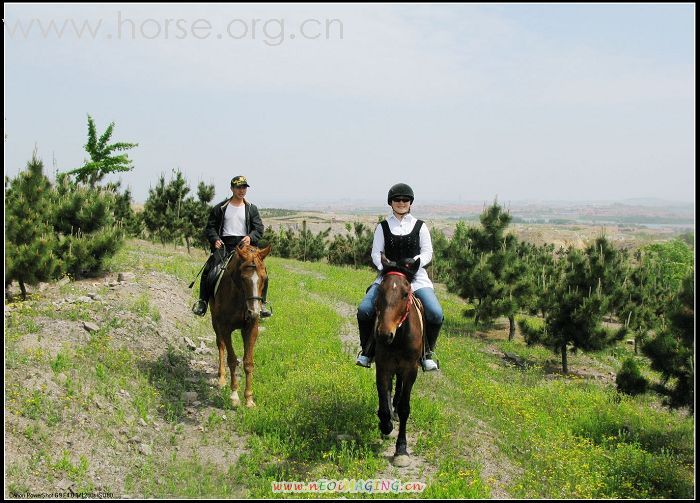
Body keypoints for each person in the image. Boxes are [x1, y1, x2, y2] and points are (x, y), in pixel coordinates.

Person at [355, 183, 443, 371]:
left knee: (435, 313)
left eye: (405, 200)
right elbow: (375, 253)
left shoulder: (420, 226)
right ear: (391, 203)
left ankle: (427, 353)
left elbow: (427, 252)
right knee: (364, 310)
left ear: (410, 202)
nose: (401, 202)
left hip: (415, 277)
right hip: (388, 276)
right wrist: (384, 266)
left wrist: (414, 263)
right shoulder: (383, 227)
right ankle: (367, 351)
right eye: (397, 200)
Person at [192, 175, 272, 318]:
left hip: (246, 248)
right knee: (209, 270)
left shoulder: (251, 209)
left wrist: (250, 237)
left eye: (244, 188)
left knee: (262, 272)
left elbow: (259, 228)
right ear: (232, 189)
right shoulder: (220, 208)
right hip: (225, 246)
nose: (241, 190)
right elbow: (210, 227)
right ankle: (202, 302)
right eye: (238, 187)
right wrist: (215, 239)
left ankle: (263, 304)